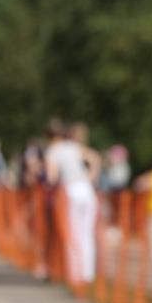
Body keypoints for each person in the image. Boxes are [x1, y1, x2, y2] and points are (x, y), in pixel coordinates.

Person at [44, 119, 101, 288]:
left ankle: (75, 275)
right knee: (86, 234)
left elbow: (51, 177)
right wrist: (90, 177)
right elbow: (95, 158)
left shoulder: (52, 151)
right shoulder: (73, 146)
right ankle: (87, 275)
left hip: (70, 192)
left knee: (73, 234)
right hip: (87, 190)